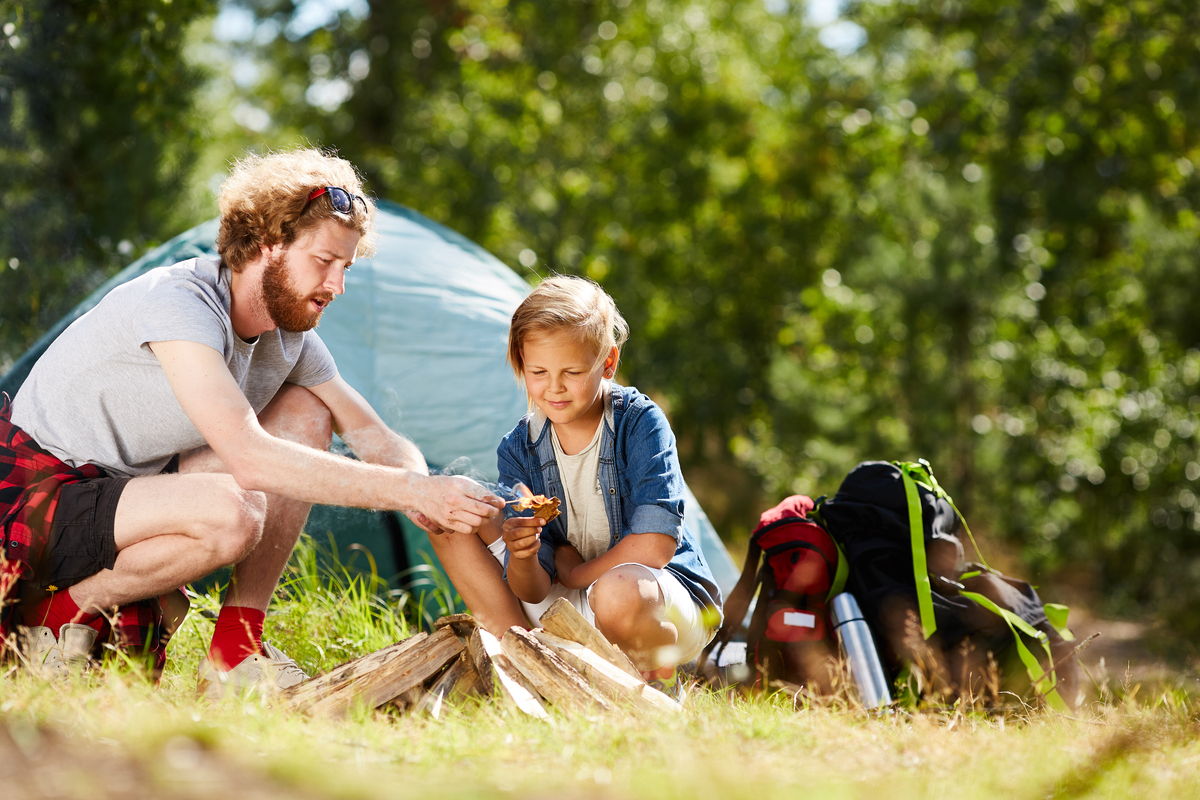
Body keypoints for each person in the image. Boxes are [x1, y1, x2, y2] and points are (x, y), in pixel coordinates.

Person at [0, 147, 503, 694]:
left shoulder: (289, 339)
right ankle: (49, 622)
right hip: (40, 494)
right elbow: (247, 456)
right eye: (323, 262)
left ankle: (233, 650)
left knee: (306, 410)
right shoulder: (181, 302)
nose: (337, 286)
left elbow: (370, 434)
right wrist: (407, 491)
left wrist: (430, 490)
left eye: (347, 268)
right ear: (269, 243)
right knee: (232, 515)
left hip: (122, 498)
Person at [429, 276, 722, 683]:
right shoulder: (519, 449)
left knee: (617, 592)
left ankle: (653, 684)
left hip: (653, 598)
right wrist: (526, 555)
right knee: (449, 516)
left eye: (572, 371)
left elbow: (655, 545)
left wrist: (575, 573)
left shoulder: (639, 422)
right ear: (520, 364)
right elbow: (532, 589)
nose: (554, 388)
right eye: (538, 372)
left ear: (608, 362)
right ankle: (533, 669)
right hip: (567, 605)